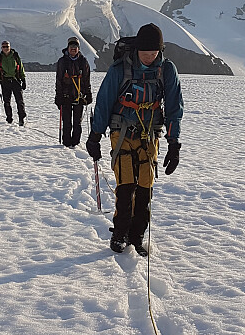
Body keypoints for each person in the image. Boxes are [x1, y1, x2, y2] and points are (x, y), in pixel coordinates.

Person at [85, 23, 183, 256]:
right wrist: (95, 136)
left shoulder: (167, 70)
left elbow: (174, 107)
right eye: (145, 53)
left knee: (145, 187)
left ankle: (137, 235)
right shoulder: (120, 69)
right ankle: (120, 234)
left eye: (154, 53)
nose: (149, 57)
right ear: (137, 49)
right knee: (126, 184)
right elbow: (104, 102)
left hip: (150, 135)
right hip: (123, 133)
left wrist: (174, 143)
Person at [55, 36, 92, 148]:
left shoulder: (83, 61)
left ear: (78, 48)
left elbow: (86, 79)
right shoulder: (62, 62)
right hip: (66, 95)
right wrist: (58, 96)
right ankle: (66, 144)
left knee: (77, 122)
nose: (73, 48)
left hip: (79, 96)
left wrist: (88, 93)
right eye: (71, 46)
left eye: (75, 46)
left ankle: (75, 143)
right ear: (68, 47)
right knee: (67, 122)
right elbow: (59, 80)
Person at [0, 40, 27, 125]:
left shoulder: (15, 56)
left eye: (7, 46)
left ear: (10, 47)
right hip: (5, 82)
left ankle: (21, 117)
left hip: (15, 80)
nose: (6, 48)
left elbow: (20, 67)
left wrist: (23, 79)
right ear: (1, 48)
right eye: (4, 47)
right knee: (6, 101)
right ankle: (9, 118)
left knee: (19, 101)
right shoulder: (0, 58)